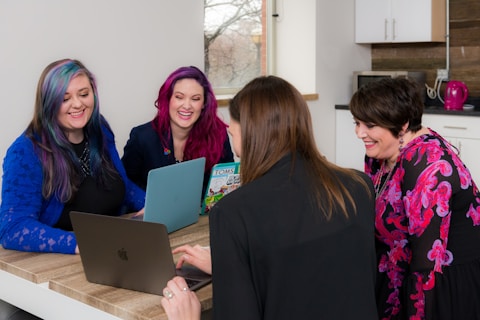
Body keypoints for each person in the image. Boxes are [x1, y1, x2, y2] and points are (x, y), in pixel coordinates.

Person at [163, 75, 379, 320]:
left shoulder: (233, 212)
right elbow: (316, 269)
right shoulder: (359, 186)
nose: (231, 136)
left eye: (233, 132)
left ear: (250, 133)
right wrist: (233, 266)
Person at [349, 77, 480, 320]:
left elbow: (426, 269)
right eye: (356, 123)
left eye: (369, 124)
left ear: (402, 125)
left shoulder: (429, 168)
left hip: (442, 286)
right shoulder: (380, 153)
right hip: (397, 273)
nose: (359, 133)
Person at [0, 59, 145, 255]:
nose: (77, 104)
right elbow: (13, 229)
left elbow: (121, 185)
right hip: (63, 263)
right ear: (48, 103)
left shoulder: (100, 130)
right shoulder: (25, 151)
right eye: (65, 98)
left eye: (84, 94)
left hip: (113, 250)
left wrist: (150, 205)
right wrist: (80, 242)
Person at [121, 66, 234, 196]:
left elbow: (226, 183)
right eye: (179, 97)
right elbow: (126, 184)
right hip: (152, 214)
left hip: (202, 214)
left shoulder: (217, 134)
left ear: (204, 104)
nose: (186, 106)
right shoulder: (142, 137)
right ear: (168, 99)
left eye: (195, 99)